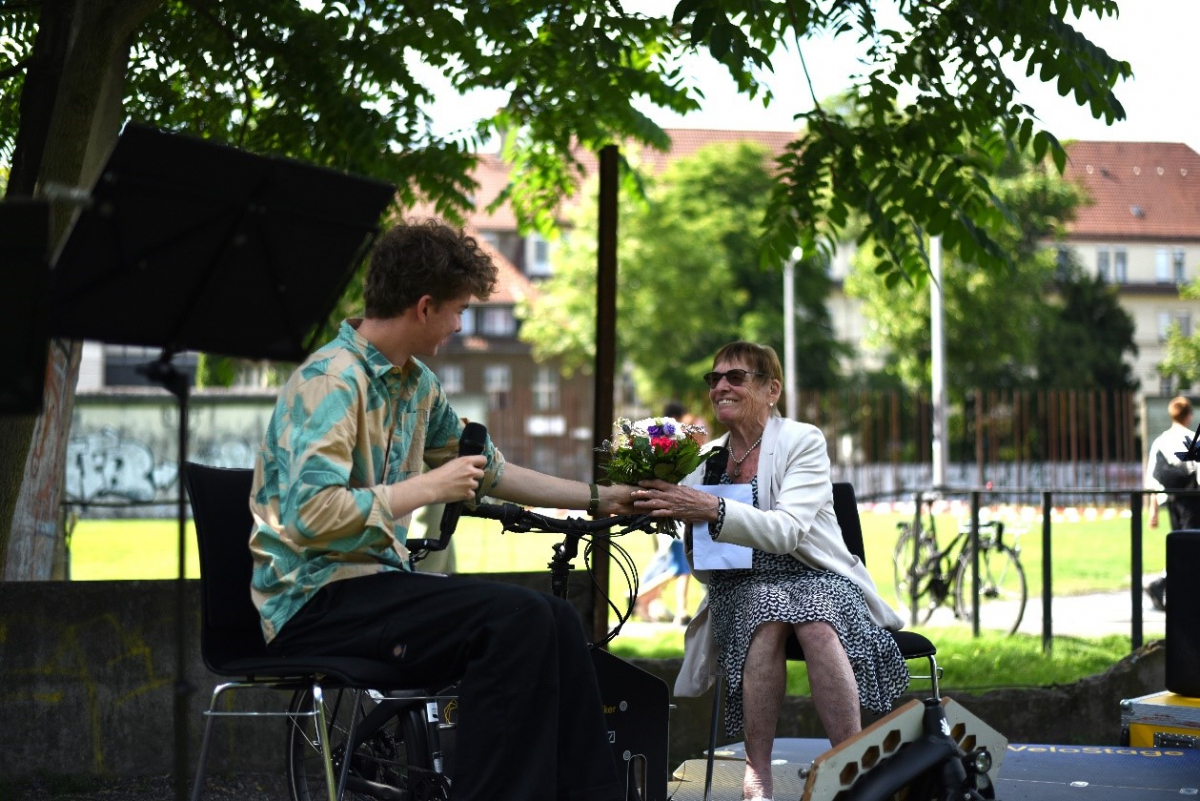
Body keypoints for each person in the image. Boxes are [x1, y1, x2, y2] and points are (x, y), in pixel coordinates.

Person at [248, 219, 638, 801]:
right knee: (516, 622)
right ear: (425, 307)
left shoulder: (415, 384)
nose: (461, 325)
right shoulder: (330, 382)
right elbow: (310, 515)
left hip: (377, 588)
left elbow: (492, 472)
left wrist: (601, 499)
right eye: (458, 311)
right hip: (314, 599)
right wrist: (429, 487)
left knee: (555, 620)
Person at [631, 342, 907, 801]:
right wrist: (659, 505)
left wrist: (709, 507)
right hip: (742, 584)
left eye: (735, 377)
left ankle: (851, 765)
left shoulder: (803, 440)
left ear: (771, 389)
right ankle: (756, 773)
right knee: (765, 610)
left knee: (818, 622)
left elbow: (788, 533)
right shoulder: (704, 459)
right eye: (714, 379)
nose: (720, 386)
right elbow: (698, 551)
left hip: (813, 571)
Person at [633, 401, 700, 624]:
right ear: (676, 417)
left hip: (664, 508)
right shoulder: (670, 436)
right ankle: (641, 600)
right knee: (679, 565)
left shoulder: (653, 433)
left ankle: (653, 603)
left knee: (678, 565)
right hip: (672, 510)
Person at [1142, 395, 1200, 611]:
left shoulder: (1160, 441)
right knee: (1191, 547)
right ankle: (1162, 584)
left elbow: (1153, 478)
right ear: (1188, 415)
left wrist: (1153, 510)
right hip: (1192, 501)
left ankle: (1177, 591)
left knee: (1180, 545)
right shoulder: (1191, 438)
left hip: (1170, 500)